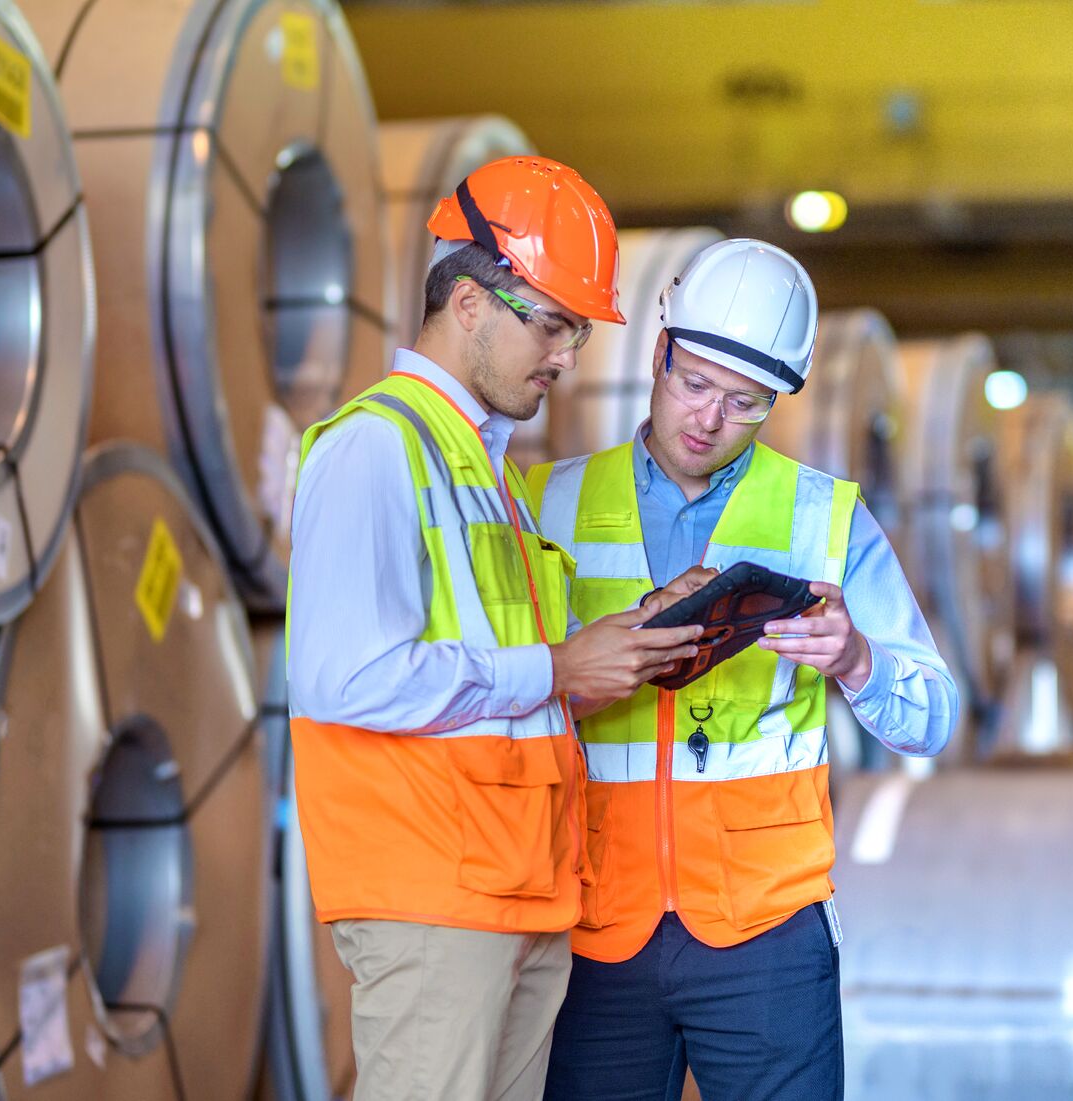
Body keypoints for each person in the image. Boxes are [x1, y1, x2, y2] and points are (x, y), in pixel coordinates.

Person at [285, 156, 704, 1101]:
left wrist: (633, 637)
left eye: (577, 333)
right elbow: (343, 676)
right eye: (552, 323)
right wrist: (558, 666)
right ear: (469, 302)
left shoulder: (486, 471)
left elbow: (516, 679)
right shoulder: (376, 446)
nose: (567, 357)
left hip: (516, 893)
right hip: (434, 897)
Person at [527, 239, 959, 1101]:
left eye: (745, 402)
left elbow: (933, 716)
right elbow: (499, 696)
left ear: (775, 400)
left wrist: (858, 660)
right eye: (693, 383)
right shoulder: (547, 502)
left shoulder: (826, 516)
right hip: (593, 921)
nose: (709, 418)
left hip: (767, 930)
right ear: (659, 353)